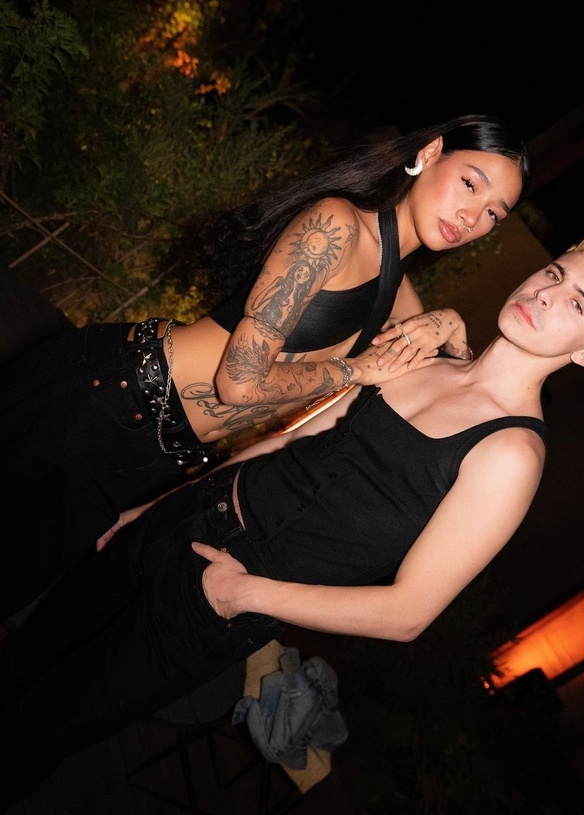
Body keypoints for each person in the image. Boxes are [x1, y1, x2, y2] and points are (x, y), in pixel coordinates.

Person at [0, 235, 584, 806]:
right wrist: (153, 505)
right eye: (554, 273)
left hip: (217, 597)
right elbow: (293, 439)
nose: (545, 293)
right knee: (29, 652)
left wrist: (243, 594)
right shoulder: (428, 358)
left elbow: (409, 611)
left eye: (577, 304)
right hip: (184, 517)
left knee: (36, 730)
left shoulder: (510, 454)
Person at [0, 114, 531, 621]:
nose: (473, 216)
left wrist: (452, 322)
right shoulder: (338, 225)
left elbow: (437, 378)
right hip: (113, 396)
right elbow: (238, 382)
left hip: (155, 456)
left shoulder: (394, 287)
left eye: (493, 214)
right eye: (470, 184)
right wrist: (354, 371)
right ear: (431, 152)